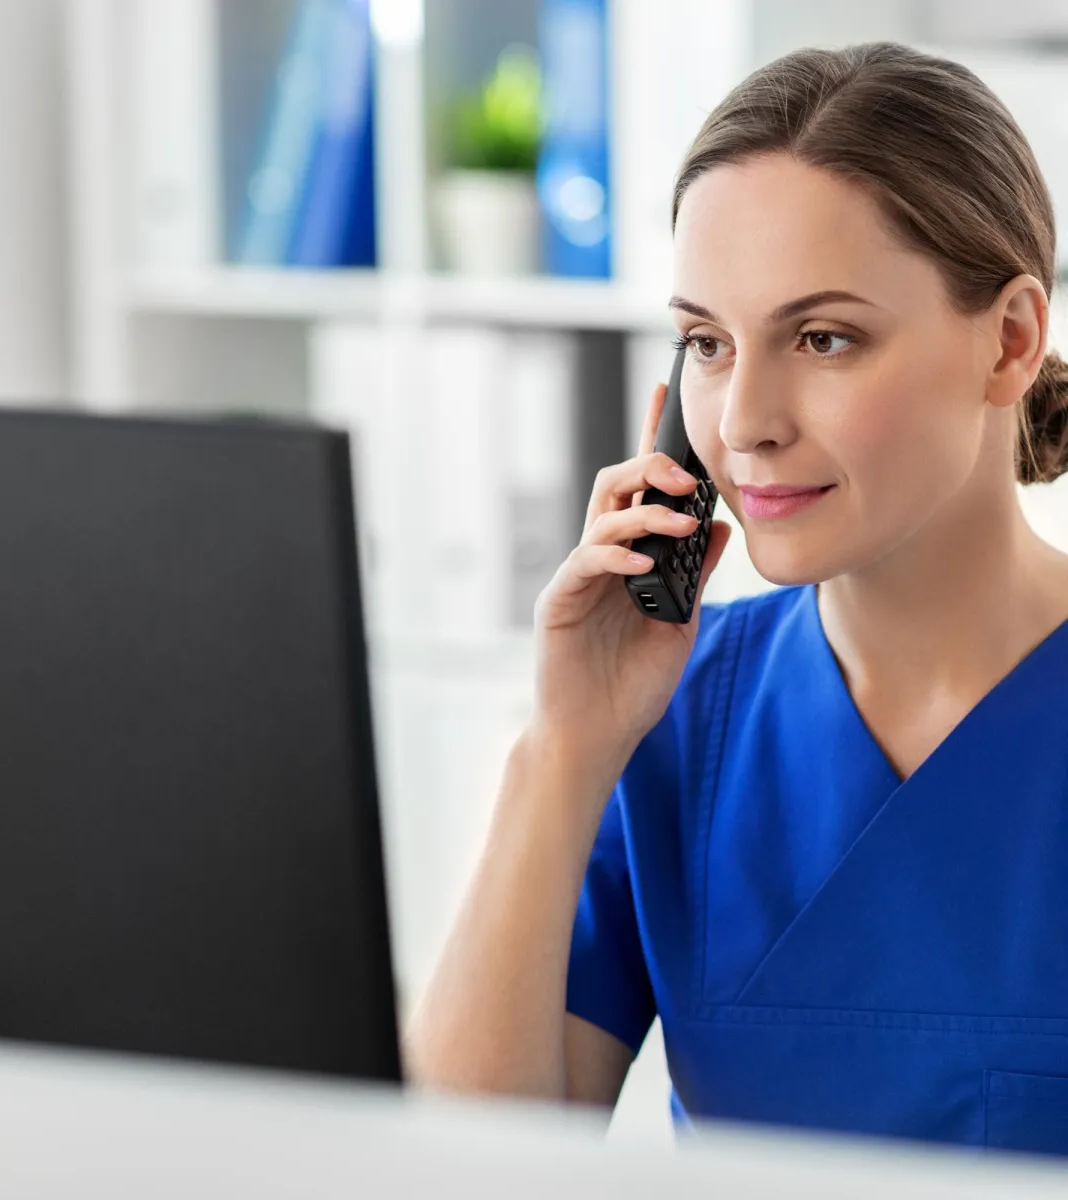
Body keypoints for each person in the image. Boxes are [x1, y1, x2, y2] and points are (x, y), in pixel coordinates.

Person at [403, 42, 1068, 1156]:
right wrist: (563, 747)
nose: (745, 418)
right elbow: (459, 1166)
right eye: (708, 343)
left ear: (1007, 342)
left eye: (823, 338)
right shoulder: (667, 723)